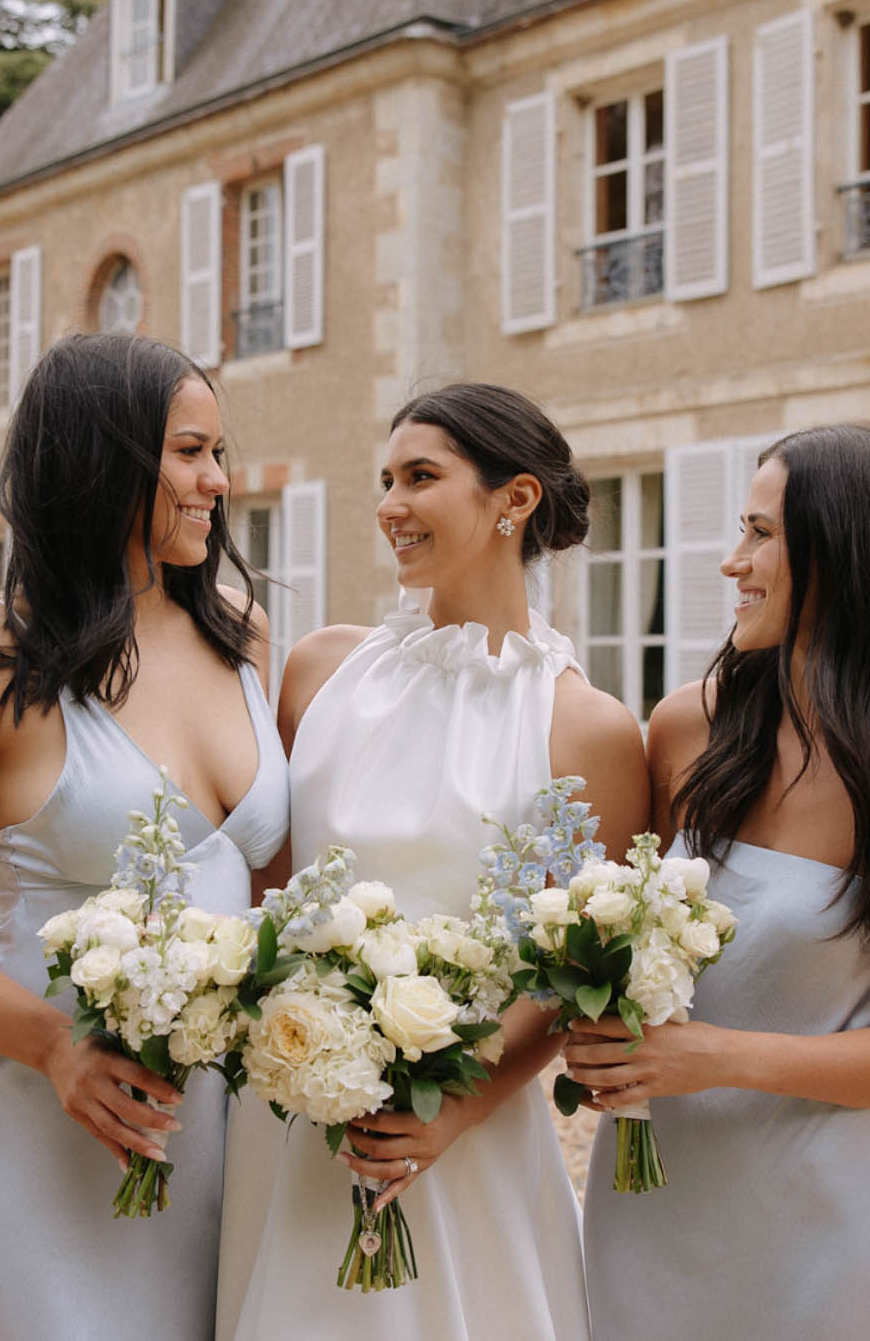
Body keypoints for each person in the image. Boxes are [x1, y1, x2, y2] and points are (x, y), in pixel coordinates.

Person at [0, 332, 288, 1341]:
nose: (217, 480)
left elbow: (270, 882)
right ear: (102, 458)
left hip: (209, 1122)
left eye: (218, 452)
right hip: (27, 1113)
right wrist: (53, 1044)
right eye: (189, 452)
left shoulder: (239, 631)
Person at [215, 384, 649, 1341]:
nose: (390, 506)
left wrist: (449, 1114)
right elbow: (261, 887)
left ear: (515, 499)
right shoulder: (321, 671)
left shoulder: (587, 729)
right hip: (291, 1108)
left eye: (420, 477)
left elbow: (577, 974)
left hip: (461, 1129)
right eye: (386, 480)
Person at [566, 424, 870, 1341]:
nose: (733, 561)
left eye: (762, 534)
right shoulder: (685, 728)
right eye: (742, 529)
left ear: (847, 552)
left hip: (821, 1233)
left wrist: (715, 1057)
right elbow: (626, 943)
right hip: (645, 1210)